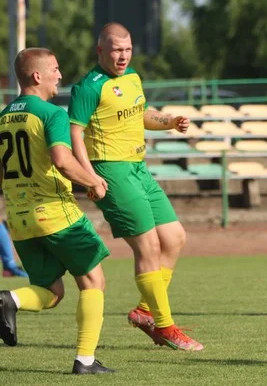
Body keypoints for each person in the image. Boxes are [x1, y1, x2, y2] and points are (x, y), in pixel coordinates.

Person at [68, 23, 203, 351]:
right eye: (116, 49)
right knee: (149, 248)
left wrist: (168, 122)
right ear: (100, 50)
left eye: (127, 49)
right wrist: (90, 177)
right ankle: (165, 326)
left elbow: (140, 114)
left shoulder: (132, 78)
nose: (123, 55)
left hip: (139, 169)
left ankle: (144, 312)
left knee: (174, 238)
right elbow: (75, 135)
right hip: (111, 171)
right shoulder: (88, 87)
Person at [0, 47, 114, 374]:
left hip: (19, 221)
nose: (59, 75)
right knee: (93, 280)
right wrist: (93, 182)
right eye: (55, 69)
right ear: (37, 76)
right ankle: (86, 361)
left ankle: (10, 300)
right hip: (53, 212)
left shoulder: (3, 117)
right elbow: (62, 161)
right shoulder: (52, 114)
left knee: (52, 292)